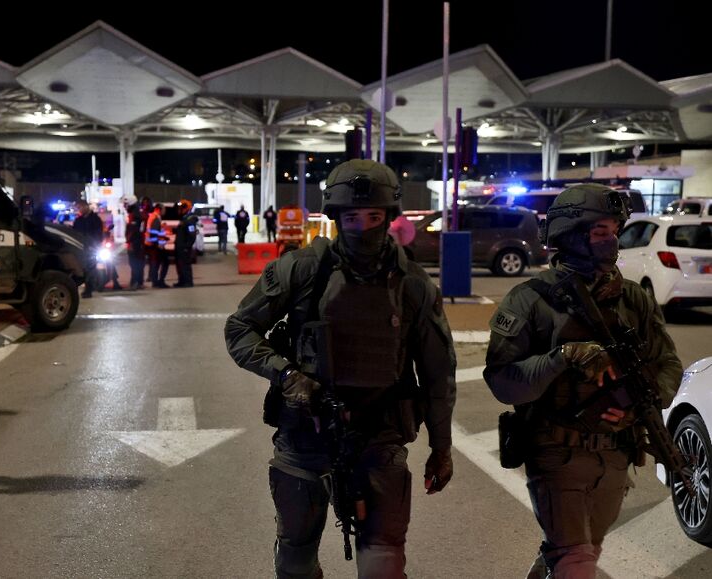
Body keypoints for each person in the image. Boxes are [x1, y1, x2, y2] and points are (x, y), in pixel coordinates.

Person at [225, 159, 456, 578]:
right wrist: (286, 374)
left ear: (389, 217)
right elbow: (240, 329)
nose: (364, 227)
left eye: (374, 216)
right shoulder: (300, 270)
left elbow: (439, 371)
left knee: (383, 563)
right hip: (304, 436)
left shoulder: (414, 285)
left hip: (379, 436)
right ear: (335, 217)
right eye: (353, 216)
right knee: (295, 560)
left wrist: (442, 447)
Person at [483, 183, 682, 578]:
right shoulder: (531, 299)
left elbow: (669, 364)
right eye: (600, 233)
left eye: (614, 231)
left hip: (615, 454)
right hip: (557, 451)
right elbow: (503, 381)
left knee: (584, 548)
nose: (612, 243)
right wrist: (563, 357)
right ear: (571, 236)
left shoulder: (632, 299)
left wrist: (637, 404)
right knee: (577, 561)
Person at [72, 199, 104, 298]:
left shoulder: (95, 219)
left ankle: (89, 289)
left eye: (80, 207)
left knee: (90, 269)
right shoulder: (79, 220)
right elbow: (74, 233)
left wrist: (93, 245)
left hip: (91, 248)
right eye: (78, 208)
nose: (79, 210)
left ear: (86, 206)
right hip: (80, 248)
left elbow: (98, 234)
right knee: (82, 269)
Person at [173, 199, 198, 287]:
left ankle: (187, 282)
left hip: (184, 247)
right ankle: (182, 281)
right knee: (180, 264)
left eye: (181, 208)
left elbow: (192, 235)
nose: (179, 210)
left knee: (185, 265)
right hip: (180, 246)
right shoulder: (184, 219)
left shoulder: (190, 219)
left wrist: (187, 246)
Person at [145, 203, 170, 288]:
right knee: (165, 262)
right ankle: (160, 281)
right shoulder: (155, 218)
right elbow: (154, 232)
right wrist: (160, 241)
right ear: (158, 209)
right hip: (156, 245)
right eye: (163, 210)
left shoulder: (152, 216)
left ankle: (155, 282)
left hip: (152, 244)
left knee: (156, 263)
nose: (164, 211)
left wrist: (163, 236)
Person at [125, 198, 146, 290]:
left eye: (126, 204)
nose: (125, 206)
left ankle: (135, 283)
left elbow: (133, 231)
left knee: (134, 263)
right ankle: (139, 282)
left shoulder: (134, 215)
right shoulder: (137, 213)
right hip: (139, 243)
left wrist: (130, 243)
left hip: (135, 243)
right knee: (138, 263)